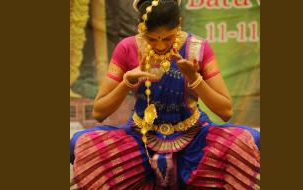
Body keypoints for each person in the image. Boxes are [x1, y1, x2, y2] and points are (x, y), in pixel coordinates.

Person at [70, 0, 260, 189]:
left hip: (194, 137)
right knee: (81, 145)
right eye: (152, 39)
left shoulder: (197, 48)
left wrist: (195, 78)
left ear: (179, 24)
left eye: (168, 38)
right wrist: (127, 82)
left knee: (247, 140)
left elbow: (225, 111)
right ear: (141, 29)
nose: (160, 46)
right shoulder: (127, 48)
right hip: (141, 139)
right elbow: (99, 112)